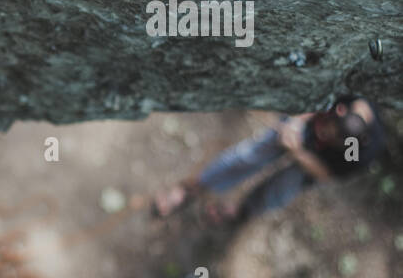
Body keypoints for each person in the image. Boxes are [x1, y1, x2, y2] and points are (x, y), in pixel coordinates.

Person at [155, 97, 386, 223]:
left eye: (330, 137)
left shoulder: (359, 156)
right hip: (304, 127)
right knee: (248, 157)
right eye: (326, 129)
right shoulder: (352, 95)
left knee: (281, 188)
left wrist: (297, 153)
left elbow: (327, 174)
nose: (324, 134)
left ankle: (240, 212)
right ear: (341, 111)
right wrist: (295, 123)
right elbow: (319, 97)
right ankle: (194, 187)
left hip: (315, 161)